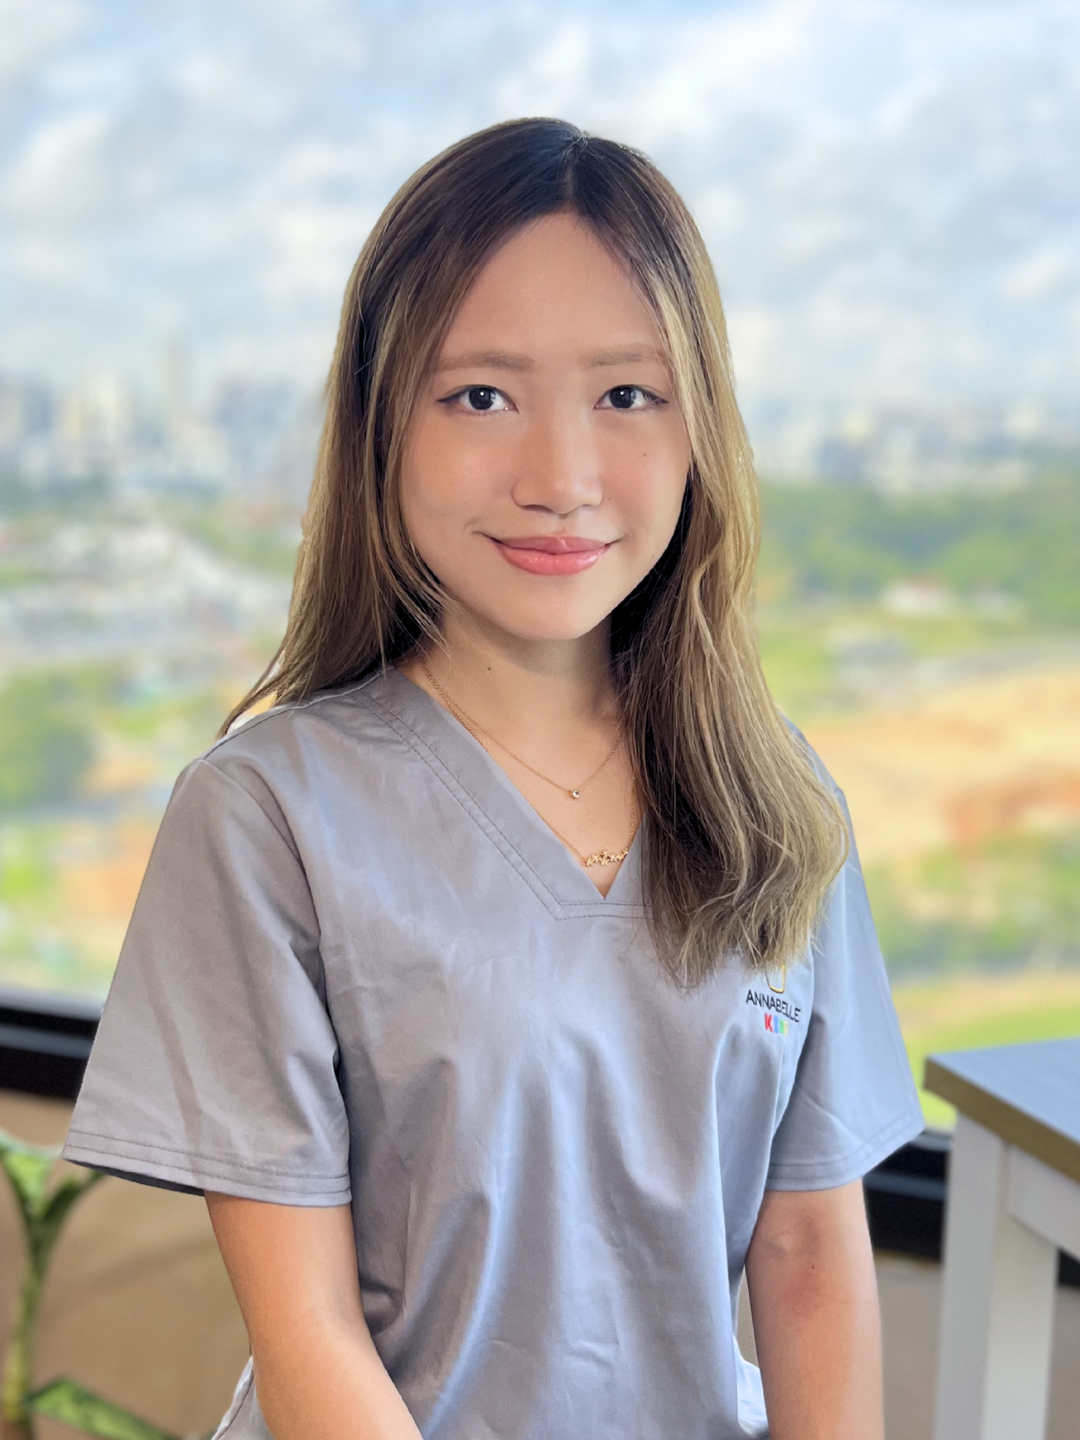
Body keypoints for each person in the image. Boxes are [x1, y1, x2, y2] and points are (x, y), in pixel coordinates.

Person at [61, 118, 923, 1440]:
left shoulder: (779, 804)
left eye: (626, 396)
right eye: (480, 396)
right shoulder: (265, 817)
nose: (561, 479)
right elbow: (308, 1338)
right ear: (379, 425)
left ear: (701, 428)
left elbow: (810, 1267)